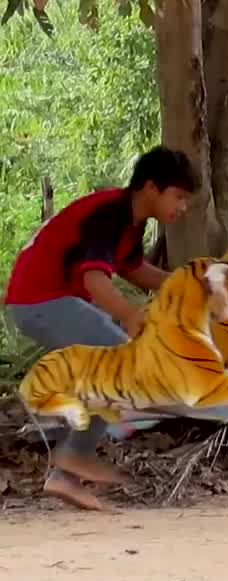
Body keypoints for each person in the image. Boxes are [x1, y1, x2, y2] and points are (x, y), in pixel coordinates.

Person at [4, 146, 197, 511]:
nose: (183, 207)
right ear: (151, 187)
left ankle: (65, 471)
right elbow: (94, 278)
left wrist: (184, 283)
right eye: (179, 196)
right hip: (40, 301)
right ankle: (69, 456)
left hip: (47, 304)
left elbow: (133, 269)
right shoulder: (112, 212)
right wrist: (127, 314)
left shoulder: (132, 222)